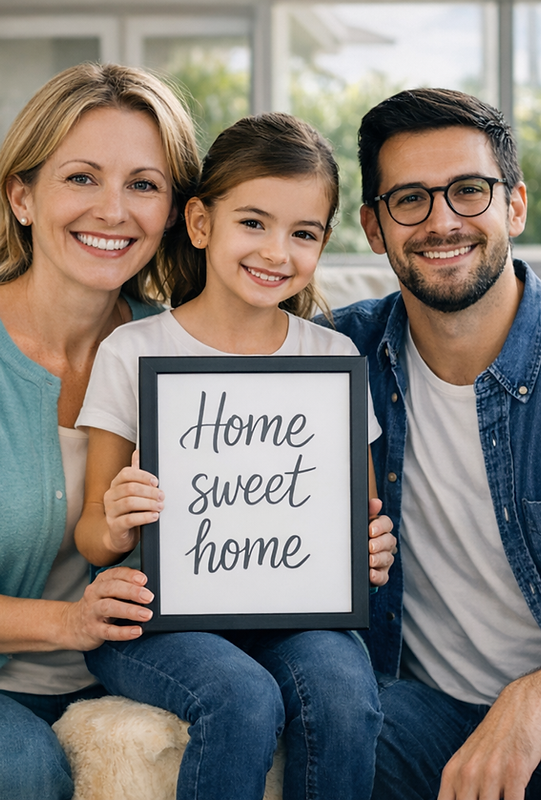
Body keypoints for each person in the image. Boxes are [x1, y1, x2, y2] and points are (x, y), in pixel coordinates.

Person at [75, 112, 396, 800]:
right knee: (242, 697)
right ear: (199, 224)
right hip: (153, 619)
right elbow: (93, 541)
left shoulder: (333, 358)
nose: (276, 251)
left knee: (342, 692)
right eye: (253, 222)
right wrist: (118, 519)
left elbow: (357, 519)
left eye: (303, 233)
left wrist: (368, 550)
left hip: (295, 615)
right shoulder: (133, 351)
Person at [326, 87, 541, 799]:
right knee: (331, 732)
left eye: (468, 191)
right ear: (373, 225)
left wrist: (532, 699)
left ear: (513, 204)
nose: (441, 222)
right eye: (409, 199)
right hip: (418, 705)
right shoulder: (333, 357)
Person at [0, 62, 200, 799]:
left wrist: (342, 533)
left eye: (143, 185)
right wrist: (70, 621)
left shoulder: (186, 351)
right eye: (81, 177)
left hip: (148, 671)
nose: (113, 210)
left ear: (176, 211)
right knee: (23, 770)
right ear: (22, 195)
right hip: (13, 686)